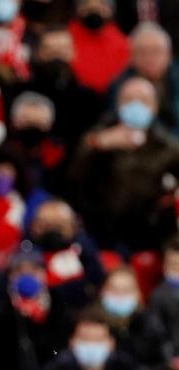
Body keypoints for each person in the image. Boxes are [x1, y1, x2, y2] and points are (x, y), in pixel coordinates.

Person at [70, 77, 179, 254]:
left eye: (143, 100)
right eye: (129, 100)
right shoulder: (97, 136)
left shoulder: (167, 146)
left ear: (154, 107)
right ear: (118, 104)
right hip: (99, 232)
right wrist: (98, 145)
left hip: (149, 236)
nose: (136, 105)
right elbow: (72, 177)